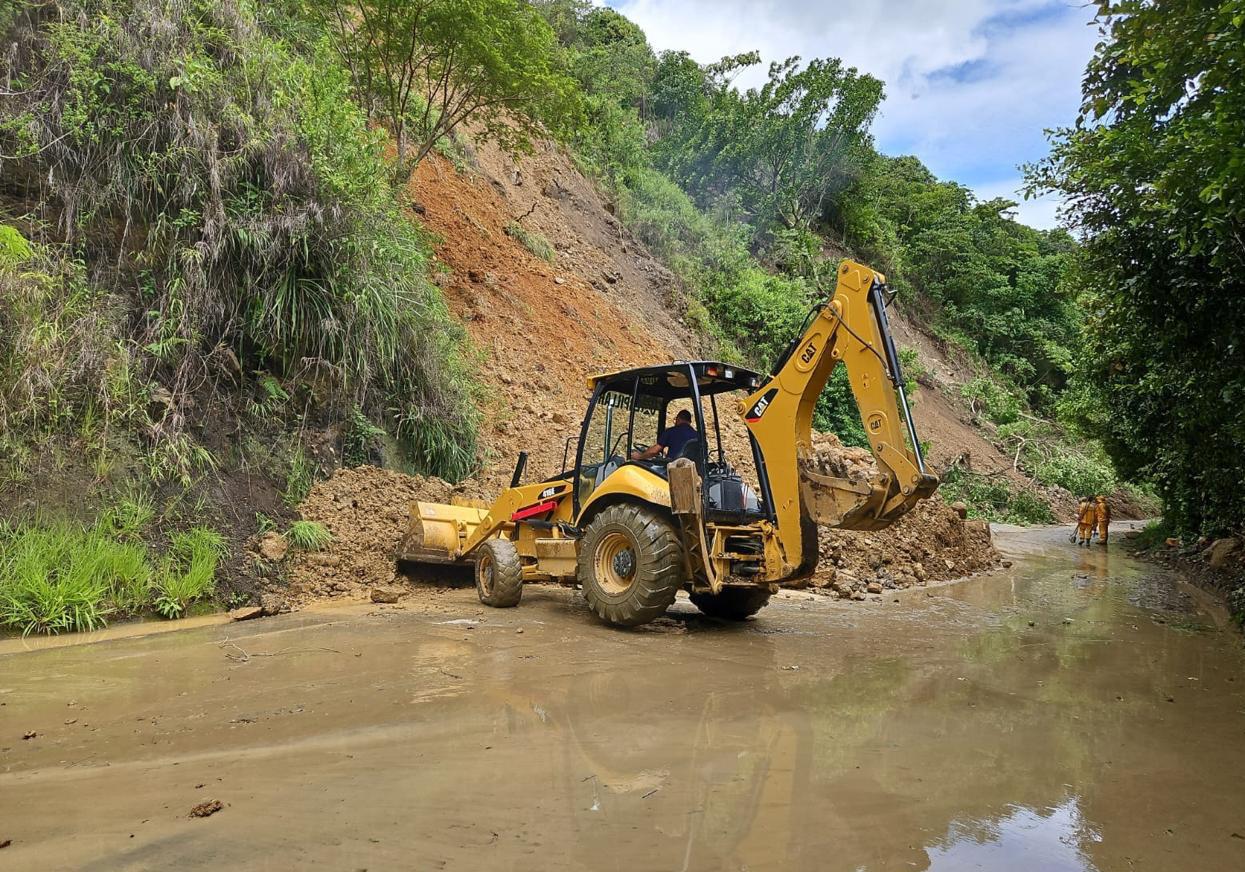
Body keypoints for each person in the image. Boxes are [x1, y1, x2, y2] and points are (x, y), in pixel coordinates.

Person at [632, 409, 699, 462]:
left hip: (672, 470)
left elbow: (655, 451)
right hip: (689, 470)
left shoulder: (671, 432)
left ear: (678, 419)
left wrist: (639, 456)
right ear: (689, 421)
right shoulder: (697, 435)